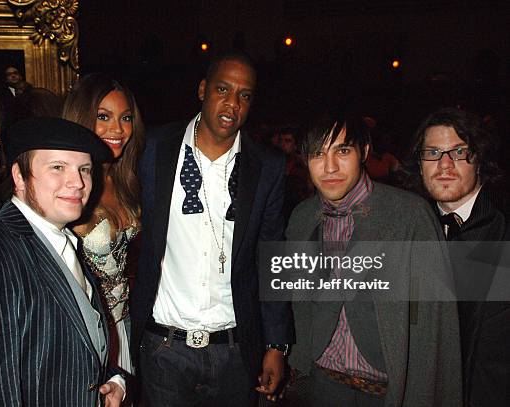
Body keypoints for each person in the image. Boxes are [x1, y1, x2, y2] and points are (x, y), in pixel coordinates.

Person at [131, 52, 294, 406]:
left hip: (235, 352)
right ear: (203, 89)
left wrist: (277, 344)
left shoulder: (266, 166)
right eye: (223, 89)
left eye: (245, 95)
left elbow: (272, 257)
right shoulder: (154, 148)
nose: (232, 103)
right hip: (163, 348)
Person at [0, 117, 126, 406]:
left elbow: (68, 339)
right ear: (19, 177)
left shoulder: (60, 238)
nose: (77, 182)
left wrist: (112, 378)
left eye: (84, 169)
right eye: (58, 167)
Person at [285, 111, 462, 406]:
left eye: (342, 150)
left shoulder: (409, 215)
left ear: (364, 151)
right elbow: (297, 304)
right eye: (317, 154)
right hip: (323, 386)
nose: (330, 167)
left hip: (390, 391)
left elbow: (433, 323)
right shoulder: (302, 217)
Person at [411, 107, 510, 407]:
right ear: (419, 165)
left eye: (458, 152)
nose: (444, 164)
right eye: (433, 152)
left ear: (479, 159)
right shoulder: (410, 228)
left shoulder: (502, 230)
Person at [63, 74, 145, 376]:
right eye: (103, 117)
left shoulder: (127, 179)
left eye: (125, 118)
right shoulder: (68, 184)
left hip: (127, 326)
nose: (117, 129)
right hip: (85, 331)